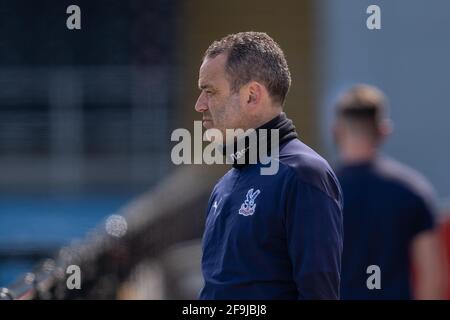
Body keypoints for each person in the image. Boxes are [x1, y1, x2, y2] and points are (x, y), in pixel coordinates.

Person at [195, 31, 343, 299]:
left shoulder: (303, 174)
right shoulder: (226, 184)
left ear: (252, 95)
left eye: (210, 91)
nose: (200, 105)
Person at [333, 84, 445, 299]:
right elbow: (431, 275)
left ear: (337, 131)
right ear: (383, 130)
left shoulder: (316, 191)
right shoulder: (412, 190)